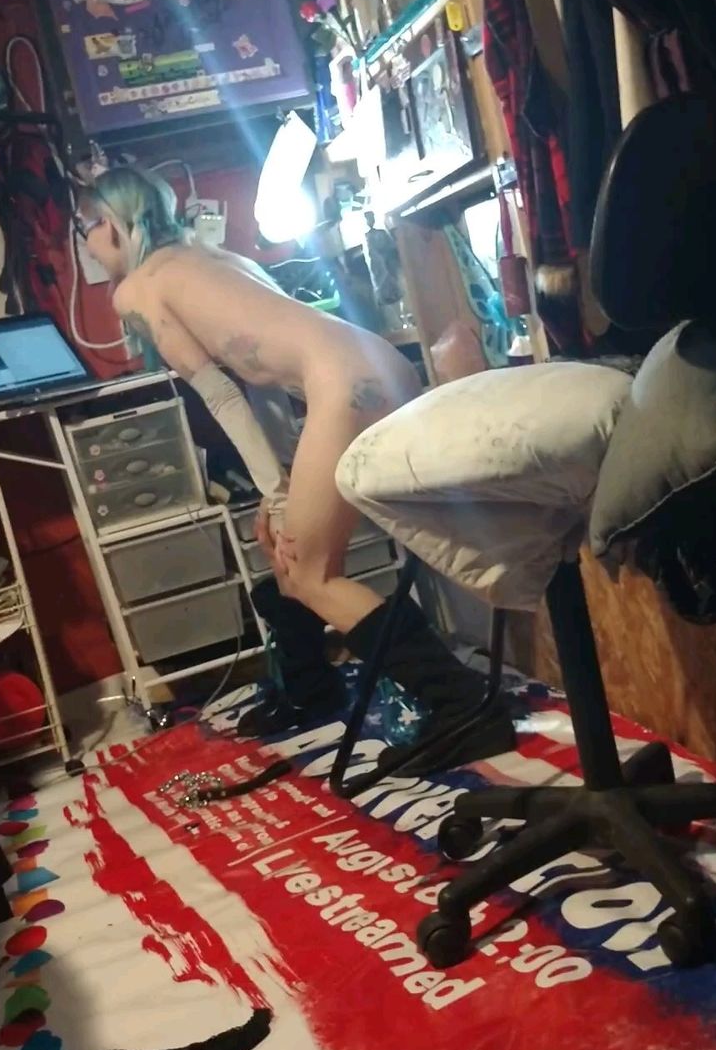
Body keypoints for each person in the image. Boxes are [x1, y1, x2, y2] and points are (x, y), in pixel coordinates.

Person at [76, 167, 513, 767]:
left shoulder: (137, 288)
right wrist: (279, 487)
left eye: (86, 227)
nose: (87, 245)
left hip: (342, 383)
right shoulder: (216, 257)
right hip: (380, 364)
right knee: (291, 552)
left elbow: (224, 396)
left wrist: (277, 490)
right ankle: (312, 689)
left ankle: (462, 707)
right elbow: (265, 380)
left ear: (113, 223)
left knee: (310, 573)